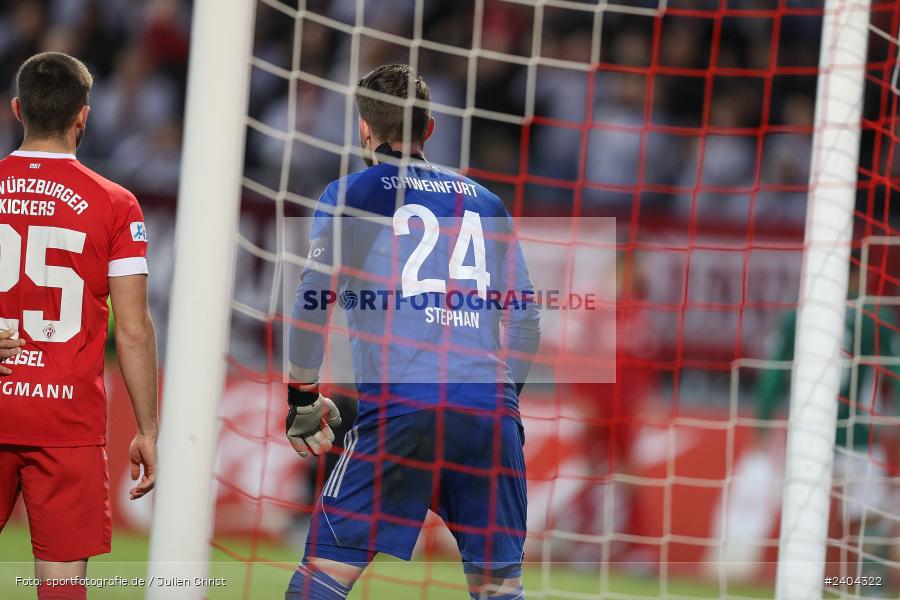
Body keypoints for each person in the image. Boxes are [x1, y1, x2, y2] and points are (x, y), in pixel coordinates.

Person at [284, 64, 540, 600]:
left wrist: (301, 398)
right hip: (488, 411)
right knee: (499, 589)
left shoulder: (352, 192)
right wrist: (499, 402)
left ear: (363, 128)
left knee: (324, 575)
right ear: (430, 128)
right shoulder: (486, 201)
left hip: (403, 409)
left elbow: (314, 296)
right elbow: (526, 319)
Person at [0, 52, 159, 600]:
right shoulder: (116, 204)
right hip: (66, 415)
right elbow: (133, 328)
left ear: (18, 109)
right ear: (84, 116)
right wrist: (147, 430)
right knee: (62, 590)